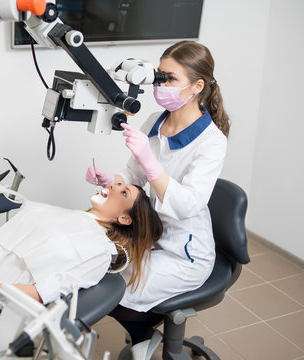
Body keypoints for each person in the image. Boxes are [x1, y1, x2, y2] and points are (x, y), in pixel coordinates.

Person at [86, 40, 229, 359]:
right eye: (159, 76)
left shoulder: (211, 143)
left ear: (197, 86)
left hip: (185, 252)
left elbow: (187, 205)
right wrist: (111, 182)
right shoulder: (155, 119)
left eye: (171, 79)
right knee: (96, 268)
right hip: (150, 233)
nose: (161, 85)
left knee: (116, 288)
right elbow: (133, 179)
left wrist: (152, 165)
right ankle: (143, 331)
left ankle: (143, 333)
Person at [0, 182, 163, 340]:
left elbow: (42, 293)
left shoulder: (97, 251)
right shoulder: (71, 216)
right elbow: (8, 240)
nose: (113, 186)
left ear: (125, 219)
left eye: (123, 192)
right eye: (117, 185)